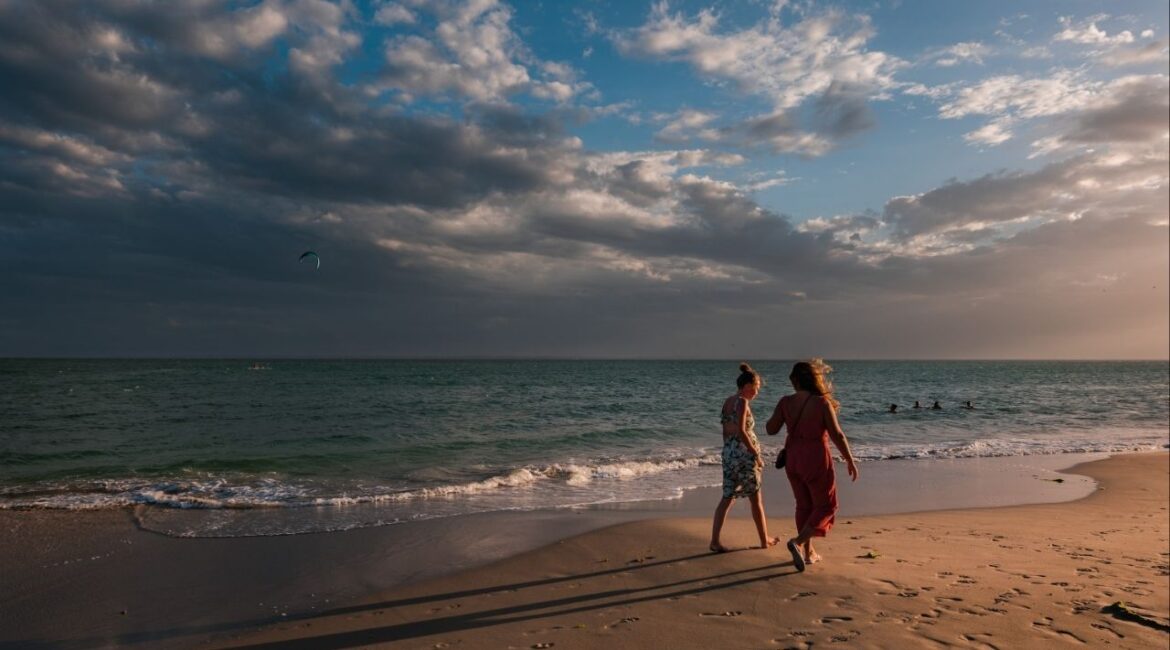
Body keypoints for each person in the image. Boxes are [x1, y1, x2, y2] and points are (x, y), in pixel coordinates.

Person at [765, 359, 858, 571]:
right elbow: (838, 435)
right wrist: (850, 460)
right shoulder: (821, 403)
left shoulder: (785, 402)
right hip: (815, 457)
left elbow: (771, 429)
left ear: (795, 381)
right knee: (826, 506)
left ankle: (808, 553)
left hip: (793, 459)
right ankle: (797, 543)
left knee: (803, 505)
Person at [710, 363, 780, 553]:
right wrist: (755, 454)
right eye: (757, 386)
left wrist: (728, 450)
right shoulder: (742, 402)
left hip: (729, 453)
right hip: (743, 455)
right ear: (748, 385)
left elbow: (726, 431)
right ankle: (764, 540)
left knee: (727, 496)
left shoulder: (727, 401)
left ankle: (714, 541)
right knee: (756, 498)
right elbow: (742, 430)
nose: (757, 391)